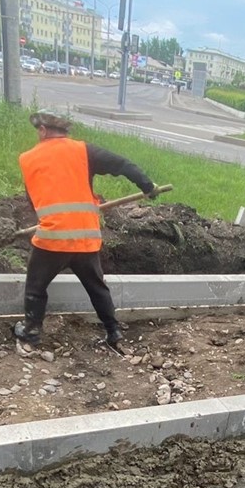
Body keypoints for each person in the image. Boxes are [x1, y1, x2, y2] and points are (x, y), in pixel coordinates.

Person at [14, 109, 161, 349]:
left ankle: (31, 332)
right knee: (96, 287)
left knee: (36, 286)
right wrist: (147, 186)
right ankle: (113, 332)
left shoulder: (28, 158)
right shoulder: (83, 151)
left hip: (52, 238)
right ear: (65, 132)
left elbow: (33, 200)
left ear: (42, 130)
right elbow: (122, 164)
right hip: (85, 237)